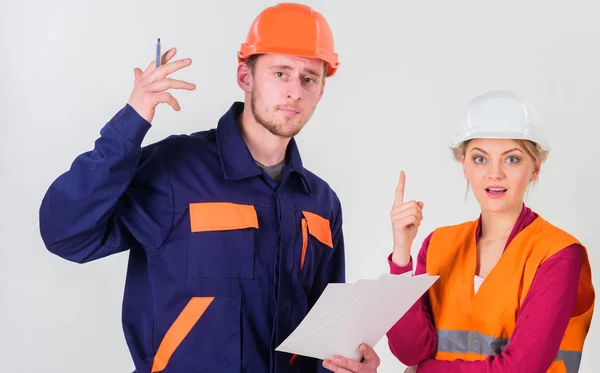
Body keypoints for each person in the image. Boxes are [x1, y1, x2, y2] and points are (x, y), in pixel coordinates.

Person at [38, 3, 379, 372]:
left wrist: (347, 365)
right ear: (245, 77)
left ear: (321, 91)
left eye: (309, 78)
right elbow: (65, 234)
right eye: (280, 73)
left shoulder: (321, 202)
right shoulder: (175, 171)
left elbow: (323, 338)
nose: (295, 91)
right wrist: (131, 121)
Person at [386, 90, 595, 372]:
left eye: (512, 159)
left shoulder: (557, 254)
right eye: (480, 158)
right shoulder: (438, 244)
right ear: (464, 166)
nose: (494, 173)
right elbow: (410, 351)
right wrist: (401, 255)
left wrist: (426, 371)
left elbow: (521, 368)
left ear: (535, 167)